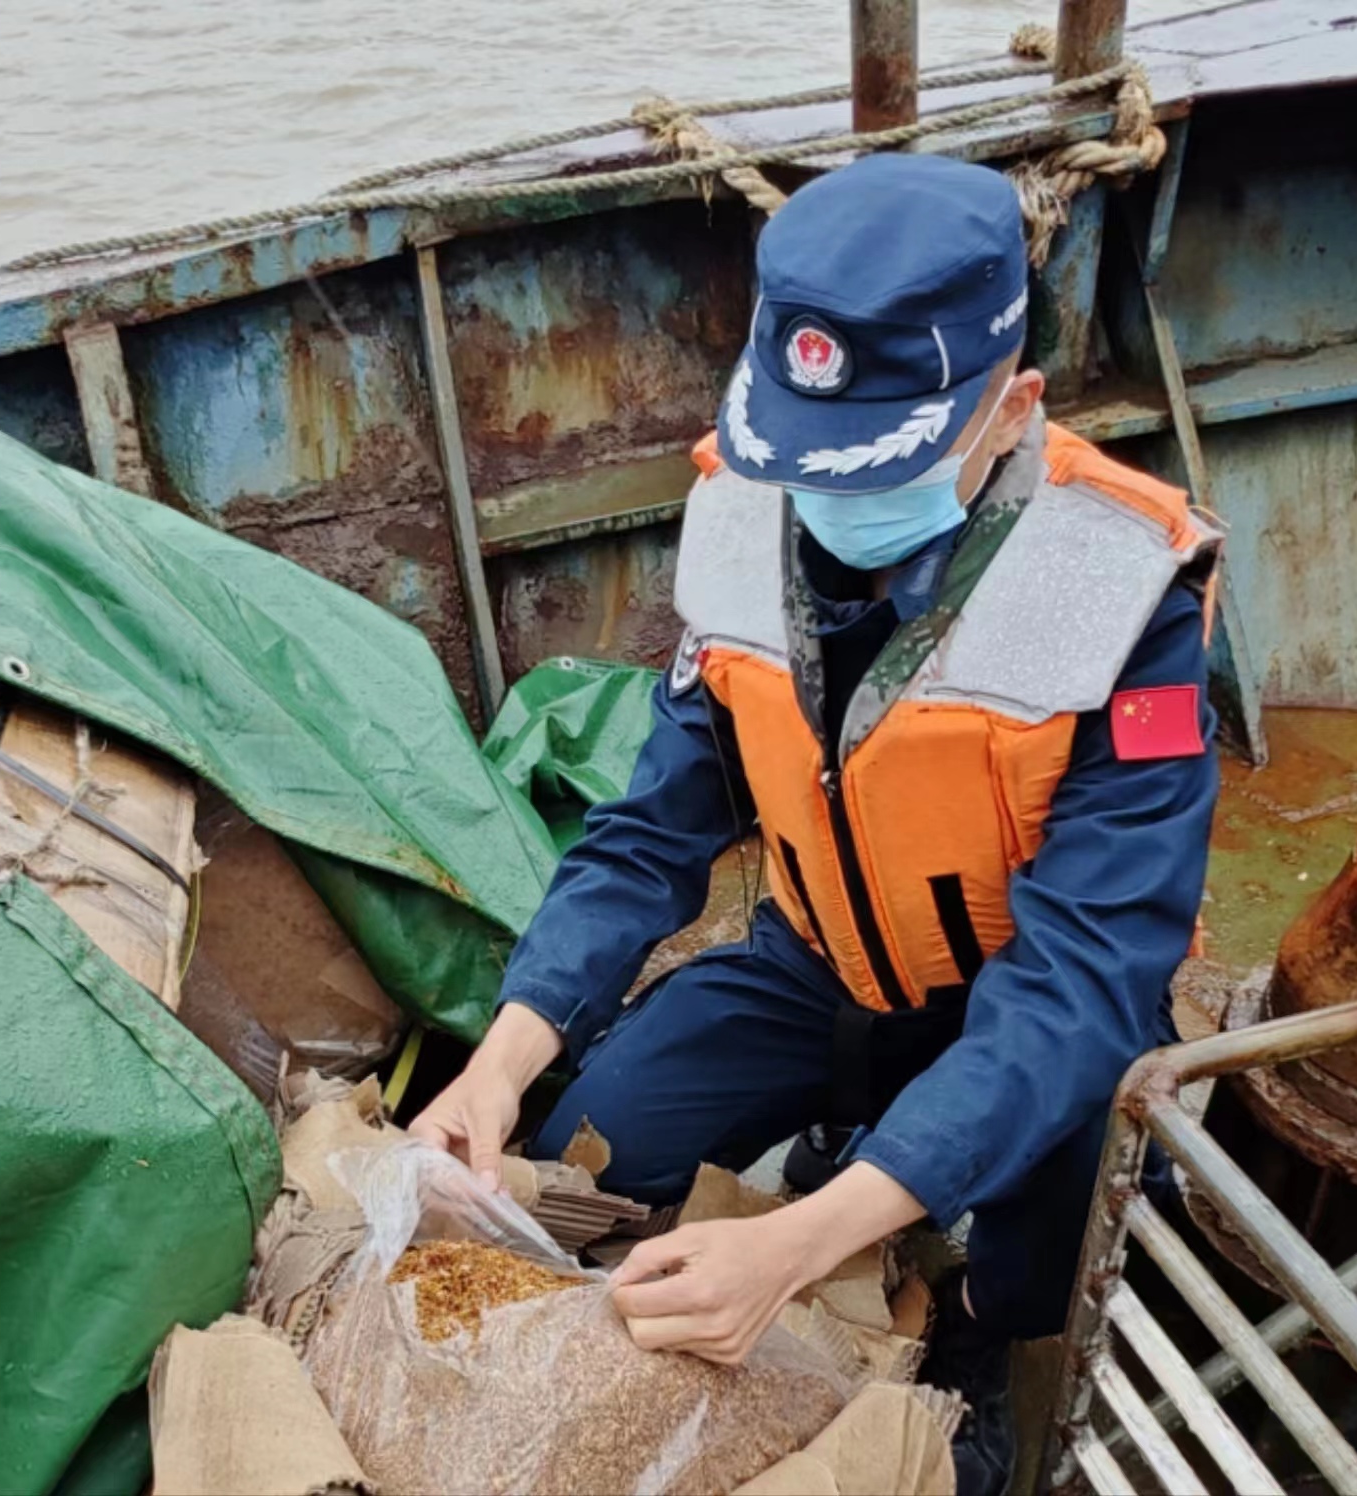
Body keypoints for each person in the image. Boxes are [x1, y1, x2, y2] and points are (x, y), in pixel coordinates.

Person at [411, 151, 1219, 1495]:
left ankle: (956, 1336)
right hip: (816, 961)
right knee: (577, 1148)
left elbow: (1082, 981)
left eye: (877, 466)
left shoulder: (1124, 594)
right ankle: (847, 1182)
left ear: (1009, 409)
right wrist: (498, 1060)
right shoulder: (738, 520)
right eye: (809, 462)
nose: (832, 502)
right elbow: (645, 837)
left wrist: (798, 1245)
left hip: (1017, 1006)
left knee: (1043, 1285)